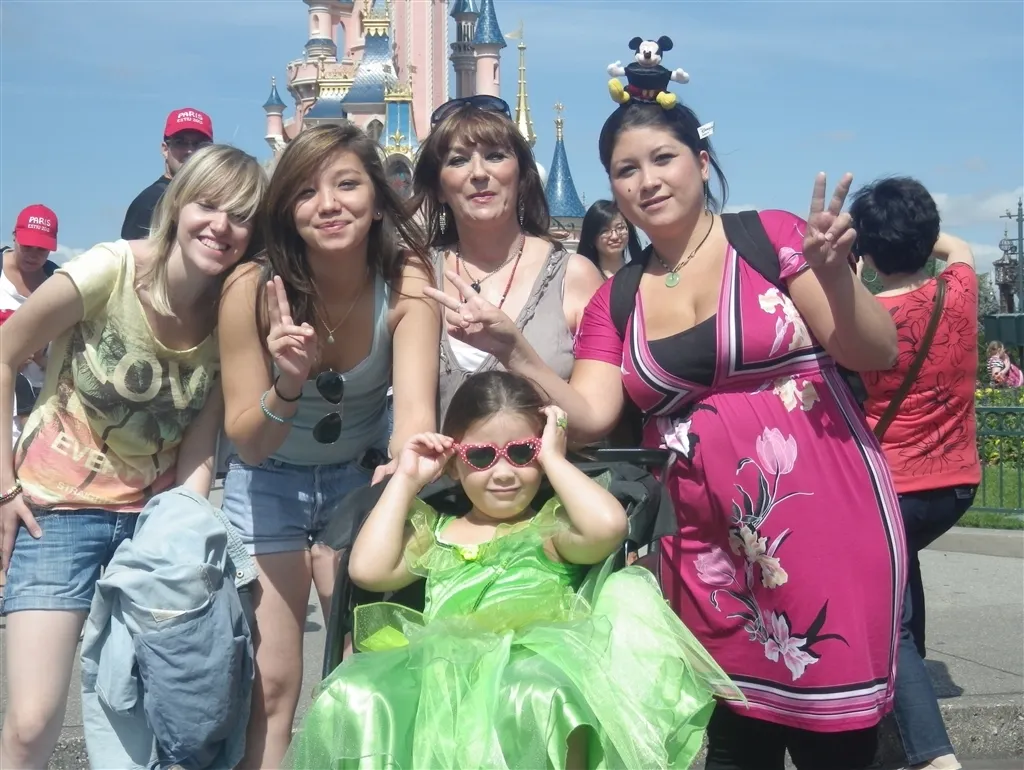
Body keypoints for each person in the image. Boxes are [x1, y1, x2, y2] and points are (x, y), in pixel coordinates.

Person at [426, 83, 906, 768]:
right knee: (734, 737)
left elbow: (874, 352)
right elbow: (592, 413)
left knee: (835, 741)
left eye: (663, 159)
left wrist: (834, 278)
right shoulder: (618, 298)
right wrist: (515, 350)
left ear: (701, 163)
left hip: (822, 519)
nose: (647, 181)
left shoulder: (770, 238)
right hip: (703, 547)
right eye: (626, 170)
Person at [284, 370, 739, 769]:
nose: (503, 472)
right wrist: (406, 478)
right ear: (455, 463)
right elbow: (367, 570)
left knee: (536, 693)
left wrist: (555, 458)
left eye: (522, 452)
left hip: (535, 667)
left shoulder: (551, 529)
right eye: (482, 456)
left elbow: (609, 526)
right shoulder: (438, 531)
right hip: (441, 675)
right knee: (356, 694)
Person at [0, 144, 266, 767]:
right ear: (179, 204)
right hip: (54, 512)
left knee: (156, 721)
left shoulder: (229, 312)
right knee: (33, 720)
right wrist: (3, 485)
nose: (221, 226)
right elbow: (6, 352)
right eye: (208, 205)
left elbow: (202, 434)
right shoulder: (110, 270)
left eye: (241, 216)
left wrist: (185, 529)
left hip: (150, 524)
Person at [217, 123, 439, 768]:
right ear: (287, 208)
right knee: (272, 684)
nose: (330, 205)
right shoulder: (250, 287)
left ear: (378, 199)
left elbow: (413, 416)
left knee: (364, 669)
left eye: (347, 185)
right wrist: (288, 383)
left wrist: (397, 482)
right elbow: (248, 443)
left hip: (358, 481)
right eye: (307, 191)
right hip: (268, 481)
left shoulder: (406, 277)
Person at [851, 176, 980, 770]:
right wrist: (923, 236)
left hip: (891, 491)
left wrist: (853, 265)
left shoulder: (867, 319)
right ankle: (912, 692)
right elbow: (959, 248)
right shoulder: (961, 289)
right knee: (904, 573)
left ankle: (933, 758)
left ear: (867, 250)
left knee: (888, 624)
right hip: (956, 485)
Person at [409, 95, 604, 423]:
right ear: (439, 187)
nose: (478, 173)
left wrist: (514, 352)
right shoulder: (418, 275)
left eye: (495, 156)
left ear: (522, 175)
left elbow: (594, 422)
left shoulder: (574, 277)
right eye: (458, 160)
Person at [1, 204, 60, 447]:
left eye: (42, 249)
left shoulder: (58, 283)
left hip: (39, 404)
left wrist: (42, 356)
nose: (33, 255)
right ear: (14, 236)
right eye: (27, 246)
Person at [121, 107, 214, 239]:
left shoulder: (219, 201)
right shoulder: (150, 204)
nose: (190, 150)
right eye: (180, 143)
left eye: (199, 144)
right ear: (165, 150)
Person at [576, 199, 643, 278]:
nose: (615, 236)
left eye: (620, 228)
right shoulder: (585, 277)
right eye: (604, 231)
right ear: (591, 236)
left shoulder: (642, 275)